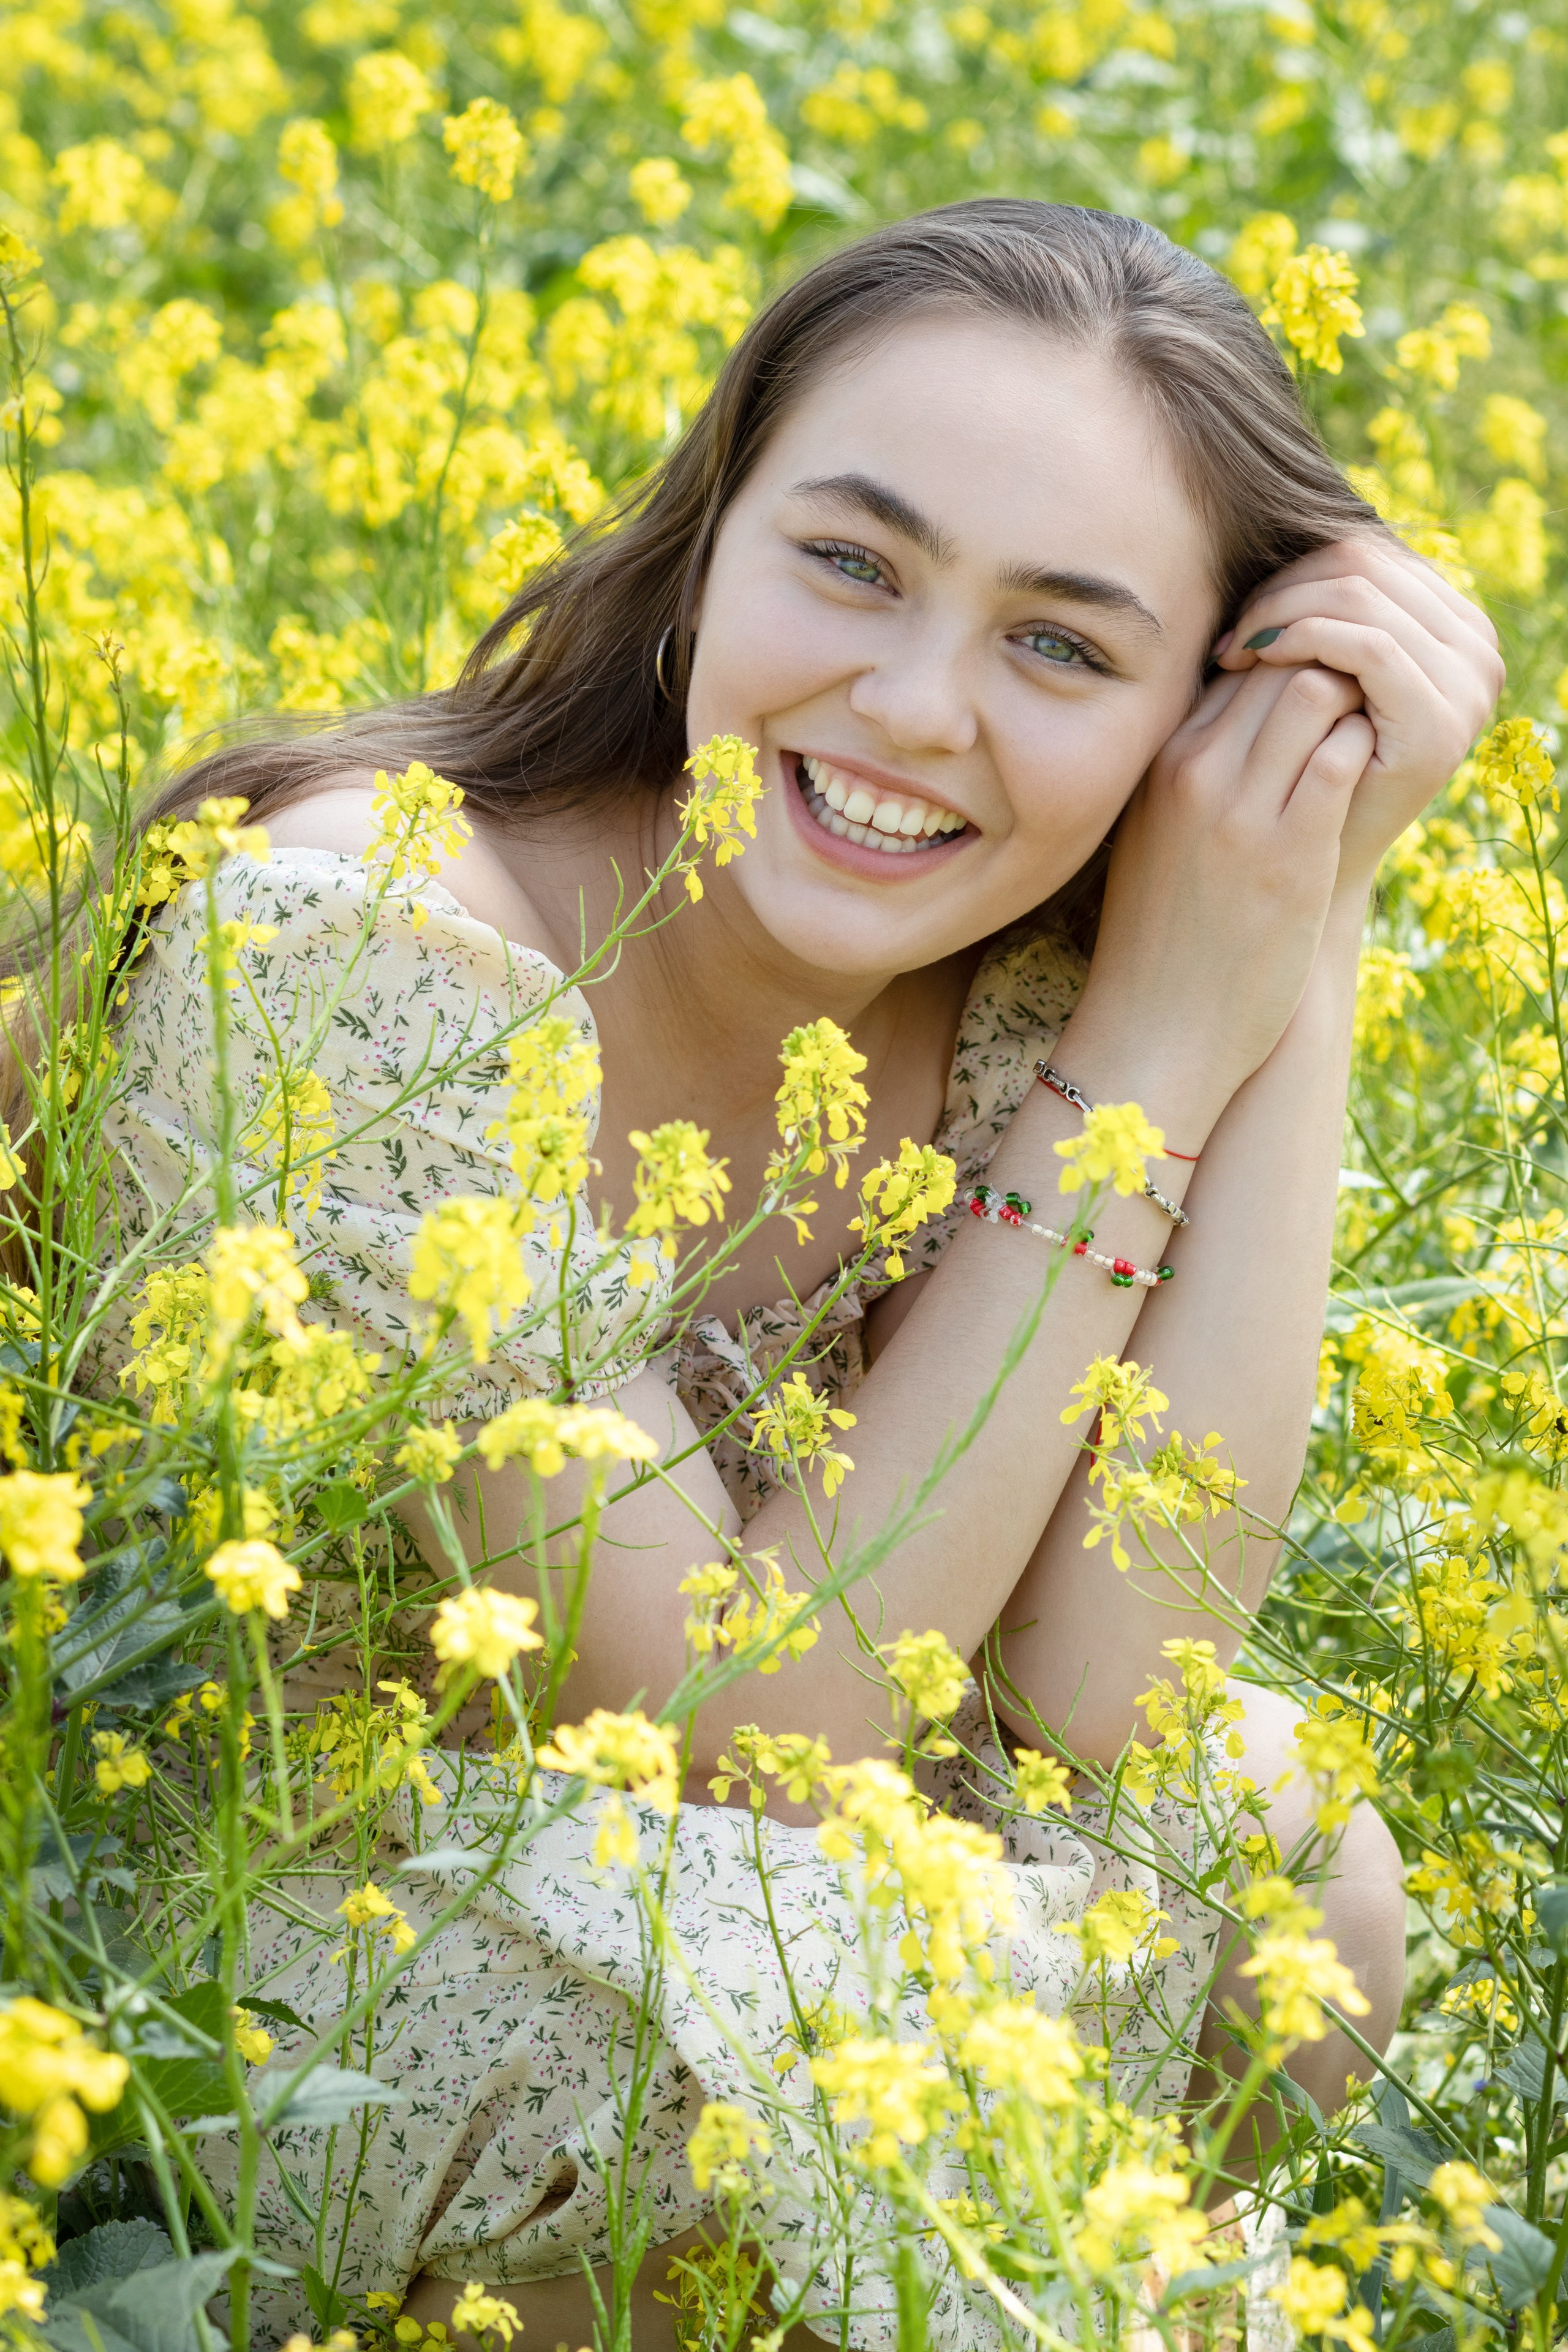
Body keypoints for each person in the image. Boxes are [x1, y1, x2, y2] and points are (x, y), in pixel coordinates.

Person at [105, 198, 1501, 2348]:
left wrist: (1298, 909)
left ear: (1180, 726)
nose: (916, 706)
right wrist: (1147, 1061)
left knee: (1291, 1875)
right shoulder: (360, 952)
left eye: (1064, 649)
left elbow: (1114, 1690)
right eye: (850, 563)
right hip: (266, 1902)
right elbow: (740, 1735)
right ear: (709, 542)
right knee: (770, 2076)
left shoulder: (1027, 991)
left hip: (737, 1859)